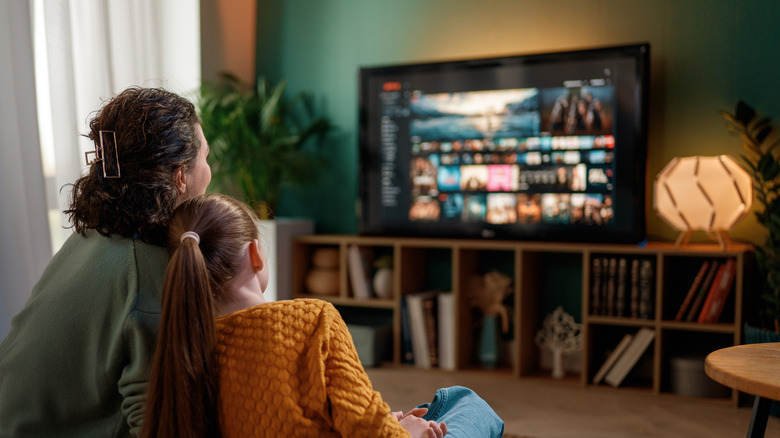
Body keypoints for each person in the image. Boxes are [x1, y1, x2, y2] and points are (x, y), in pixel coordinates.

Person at [141, 193, 504, 438]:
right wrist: (407, 432)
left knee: (409, 411)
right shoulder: (312, 319)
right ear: (256, 254)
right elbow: (365, 427)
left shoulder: (181, 349)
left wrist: (387, 420)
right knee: (462, 402)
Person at [0, 87, 211, 437]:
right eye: (205, 157)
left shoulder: (89, 240)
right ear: (180, 175)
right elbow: (160, 424)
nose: (211, 170)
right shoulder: (149, 273)